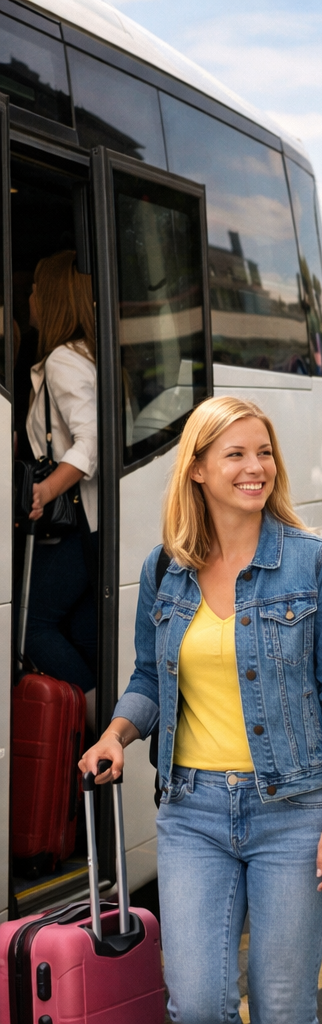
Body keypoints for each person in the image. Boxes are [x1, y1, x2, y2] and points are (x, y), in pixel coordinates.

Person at [80, 396, 322, 1024]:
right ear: (198, 469)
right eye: (235, 454)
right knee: (199, 1006)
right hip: (193, 812)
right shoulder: (165, 569)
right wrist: (116, 734)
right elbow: (149, 679)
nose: (255, 467)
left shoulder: (315, 565)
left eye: (263, 452)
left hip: (296, 812)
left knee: (282, 1006)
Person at [24, 251, 99, 728]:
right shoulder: (84, 354)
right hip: (89, 527)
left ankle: (98, 728)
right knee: (75, 629)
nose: (28, 298)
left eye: (33, 289)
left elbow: (91, 440)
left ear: (49, 299)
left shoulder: (61, 360)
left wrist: (44, 490)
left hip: (69, 527)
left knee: (33, 629)